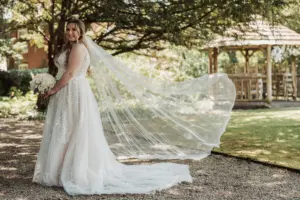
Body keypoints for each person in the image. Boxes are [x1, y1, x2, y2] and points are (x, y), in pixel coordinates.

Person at [33, 18, 236, 196]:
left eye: (74, 30)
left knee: (73, 130)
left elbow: (69, 74)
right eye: (68, 29)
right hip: (69, 92)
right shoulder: (70, 48)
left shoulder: (78, 48)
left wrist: (51, 90)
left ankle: (73, 172)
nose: (70, 32)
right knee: (66, 130)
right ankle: (61, 171)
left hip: (72, 92)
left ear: (81, 32)